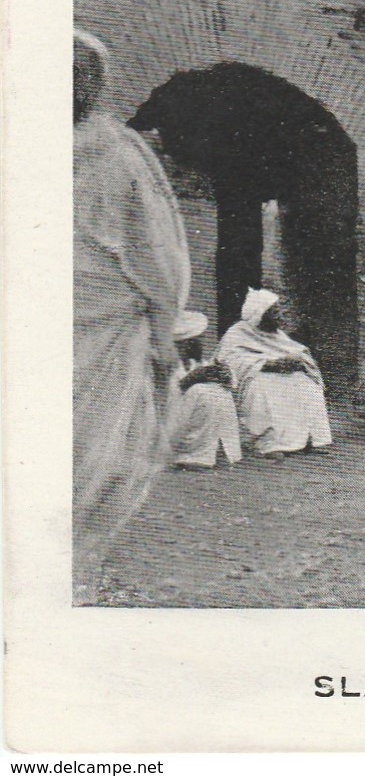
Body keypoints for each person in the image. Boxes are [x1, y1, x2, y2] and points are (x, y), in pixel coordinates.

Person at [72, 29, 192, 597]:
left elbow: (153, 256)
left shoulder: (112, 156)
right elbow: (158, 260)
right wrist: (165, 332)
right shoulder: (110, 157)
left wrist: (164, 331)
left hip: (88, 332)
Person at [217, 289, 334, 459]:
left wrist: (296, 362)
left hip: (284, 373)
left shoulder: (276, 334)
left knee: (308, 383)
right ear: (262, 314)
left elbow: (296, 351)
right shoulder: (238, 333)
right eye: (275, 312)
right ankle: (269, 443)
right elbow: (228, 361)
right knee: (262, 387)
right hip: (256, 376)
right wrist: (268, 364)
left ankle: (309, 439)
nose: (281, 315)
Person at [168, 310, 242, 470]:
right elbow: (162, 397)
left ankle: (216, 449)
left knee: (219, 390)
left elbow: (231, 385)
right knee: (201, 391)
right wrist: (188, 381)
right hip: (170, 422)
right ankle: (190, 454)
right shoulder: (167, 366)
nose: (199, 345)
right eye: (195, 341)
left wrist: (226, 376)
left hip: (189, 416)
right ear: (183, 343)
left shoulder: (199, 363)